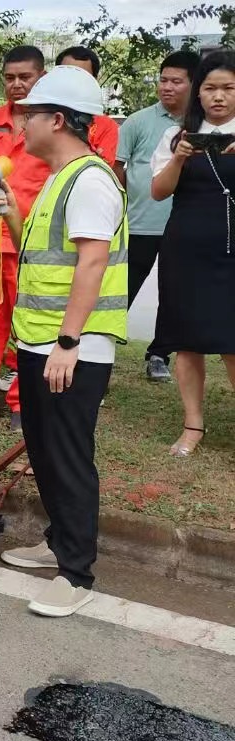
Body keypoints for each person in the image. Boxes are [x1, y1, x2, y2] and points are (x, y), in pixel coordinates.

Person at [0, 66, 128, 618]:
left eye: (29, 115)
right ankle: (57, 541)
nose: (20, 123)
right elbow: (45, 252)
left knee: (68, 454)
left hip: (72, 347)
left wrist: (68, 342)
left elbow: (93, 261)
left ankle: (76, 572)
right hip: (40, 342)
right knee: (45, 450)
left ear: (57, 119)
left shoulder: (90, 179)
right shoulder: (59, 175)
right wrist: (10, 215)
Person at [0, 44, 116, 427]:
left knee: (31, 329)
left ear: (42, 80)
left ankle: (23, 403)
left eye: (25, 78)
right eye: (9, 78)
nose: (16, 85)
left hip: (36, 250)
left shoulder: (57, 130)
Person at [150, 49, 235, 458]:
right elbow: (158, 191)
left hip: (231, 250)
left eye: (228, 88)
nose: (218, 97)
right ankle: (192, 424)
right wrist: (180, 158)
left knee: (233, 342)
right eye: (210, 88)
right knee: (187, 342)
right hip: (186, 248)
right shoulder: (178, 137)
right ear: (198, 93)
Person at [114, 50, 197, 381]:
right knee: (123, 290)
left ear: (193, 84)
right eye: (163, 80)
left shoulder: (201, 126)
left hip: (183, 226)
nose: (167, 87)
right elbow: (118, 169)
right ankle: (100, 346)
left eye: (176, 81)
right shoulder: (137, 122)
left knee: (174, 292)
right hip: (139, 223)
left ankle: (159, 353)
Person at [53, 46, 120, 163]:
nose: (73, 82)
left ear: (95, 80)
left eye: (82, 76)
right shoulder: (39, 116)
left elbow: (98, 168)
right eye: (68, 75)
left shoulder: (107, 127)